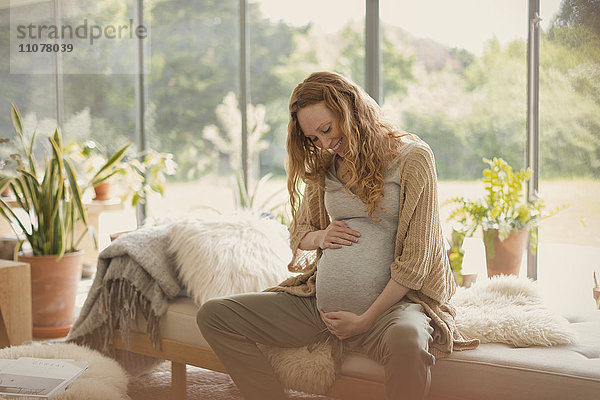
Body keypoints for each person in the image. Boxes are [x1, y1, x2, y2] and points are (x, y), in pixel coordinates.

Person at [197, 71, 478, 400]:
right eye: (314, 138)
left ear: (350, 109)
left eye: (327, 129)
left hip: (389, 311)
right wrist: (321, 236)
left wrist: (363, 320)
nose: (325, 143)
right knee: (215, 316)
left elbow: (416, 262)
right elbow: (300, 234)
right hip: (318, 310)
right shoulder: (325, 168)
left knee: (409, 340)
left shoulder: (413, 159)